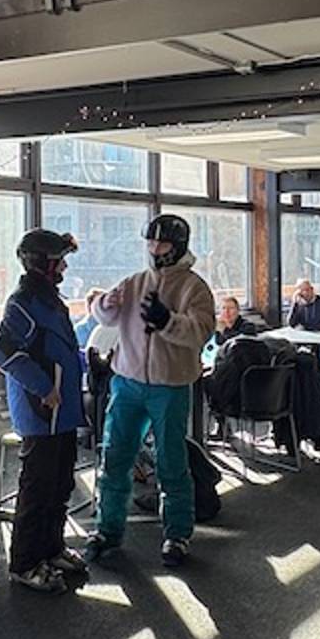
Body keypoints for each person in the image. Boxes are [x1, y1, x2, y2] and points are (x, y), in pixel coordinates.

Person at [87, 214, 216, 569]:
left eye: (162, 243)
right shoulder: (135, 282)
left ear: (178, 247)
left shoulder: (194, 288)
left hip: (170, 387)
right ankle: (107, 530)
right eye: (151, 242)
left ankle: (177, 534)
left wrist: (168, 321)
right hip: (127, 383)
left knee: (171, 462)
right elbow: (105, 316)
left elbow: (201, 331)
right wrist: (104, 305)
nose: (155, 249)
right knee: (115, 458)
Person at [0, 229, 90, 594]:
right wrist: (44, 387)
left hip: (61, 412)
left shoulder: (48, 299)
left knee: (60, 484)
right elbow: (2, 351)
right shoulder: (22, 303)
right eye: (59, 261)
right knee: (37, 489)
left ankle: (52, 549)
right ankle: (25, 563)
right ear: (42, 264)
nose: (64, 267)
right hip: (41, 412)